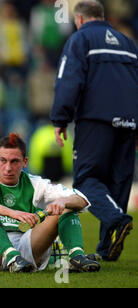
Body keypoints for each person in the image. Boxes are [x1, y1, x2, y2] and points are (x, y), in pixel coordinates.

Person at [50, 0, 136, 261]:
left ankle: (117, 220)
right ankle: (106, 248)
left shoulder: (80, 40)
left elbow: (68, 79)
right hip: (129, 123)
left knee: (86, 182)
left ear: (79, 20)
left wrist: (60, 118)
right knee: (118, 182)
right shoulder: (127, 43)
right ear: (103, 17)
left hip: (95, 121)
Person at [0, 133, 100, 272]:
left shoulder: (36, 183)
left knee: (67, 207)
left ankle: (77, 257)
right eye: (3, 161)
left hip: (24, 249)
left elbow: (81, 199)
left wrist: (63, 201)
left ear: (25, 162)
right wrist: (12, 213)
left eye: (15, 161)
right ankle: (12, 256)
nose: (8, 168)